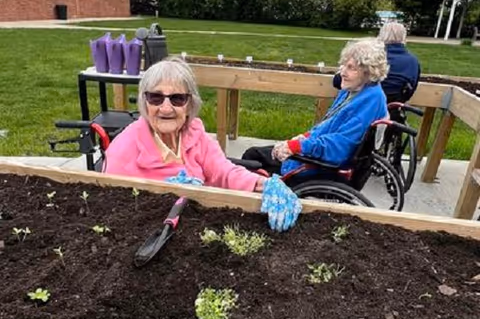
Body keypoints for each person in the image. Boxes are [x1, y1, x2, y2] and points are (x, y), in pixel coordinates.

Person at [104, 57, 301, 231]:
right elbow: (113, 212)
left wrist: (264, 185)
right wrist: (162, 198)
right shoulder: (123, 150)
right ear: (144, 102)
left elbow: (224, 172)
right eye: (155, 97)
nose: (165, 108)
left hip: (198, 228)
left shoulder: (195, 134)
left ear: (190, 105)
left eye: (177, 98)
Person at [242, 38, 388, 176]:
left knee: (252, 158)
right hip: (318, 154)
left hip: (322, 166)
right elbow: (329, 124)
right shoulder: (355, 90)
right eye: (344, 65)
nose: (342, 72)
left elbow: (339, 146)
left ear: (368, 72)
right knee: (256, 155)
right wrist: (303, 138)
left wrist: (298, 147)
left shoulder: (369, 101)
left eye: (351, 68)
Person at [333, 22, 421, 104]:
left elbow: (338, 81)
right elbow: (411, 89)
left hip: (362, 104)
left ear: (381, 35)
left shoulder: (372, 56)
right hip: (395, 108)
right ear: (403, 37)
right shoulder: (413, 61)